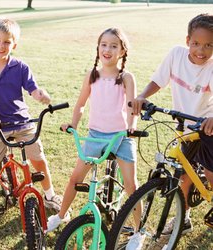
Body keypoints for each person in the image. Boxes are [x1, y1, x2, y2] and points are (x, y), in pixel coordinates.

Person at [47, 27, 144, 249]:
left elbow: (131, 108)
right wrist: (73, 124)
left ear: (122, 51)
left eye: (113, 46)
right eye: (103, 45)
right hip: (96, 136)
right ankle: (61, 214)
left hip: (121, 135)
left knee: (132, 185)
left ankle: (139, 231)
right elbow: (81, 104)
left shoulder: (126, 78)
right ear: (98, 48)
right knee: (75, 179)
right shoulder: (92, 76)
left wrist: (131, 128)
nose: (107, 49)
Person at [0, 18, 63, 235]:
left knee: (39, 160)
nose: (1, 46)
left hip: (21, 123)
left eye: (7, 42)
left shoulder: (20, 67)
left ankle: (49, 195)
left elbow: (34, 90)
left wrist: (42, 96)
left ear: (14, 45)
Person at [131, 13, 213, 236]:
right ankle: (183, 218)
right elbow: (159, 80)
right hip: (184, 126)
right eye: (196, 43)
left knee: (210, 171)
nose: (201, 50)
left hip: (206, 125)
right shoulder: (176, 55)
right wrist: (142, 96)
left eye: (208, 45)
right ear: (187, 41)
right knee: (183, 174)